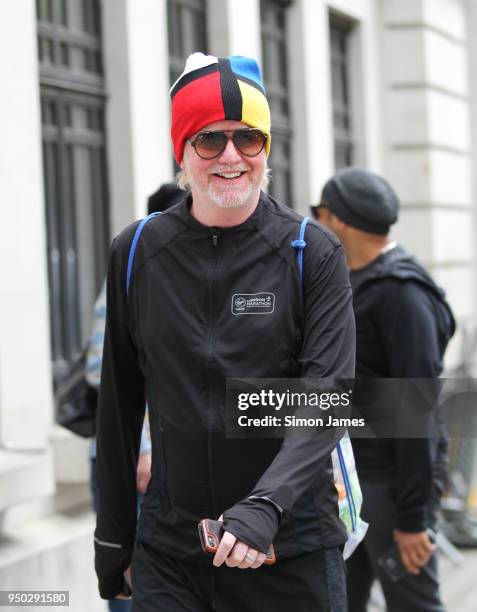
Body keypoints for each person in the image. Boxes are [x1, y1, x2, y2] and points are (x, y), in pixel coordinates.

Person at [94, 52, 356, 611]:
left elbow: (327, 399)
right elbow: (118, 407)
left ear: (266, 148)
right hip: (173, 555)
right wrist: (112, 537)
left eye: (249, 138)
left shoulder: (312, 251)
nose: (231, 156)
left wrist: (266, 504)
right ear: (182, 152)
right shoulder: (138, 250)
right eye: (209, 139)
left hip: (288, 550)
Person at [313, 167, 455, 612]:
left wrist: (412, 518)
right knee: (338, 600)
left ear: (338, 220)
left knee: (414, 604)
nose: (313, 220)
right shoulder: (351, 280)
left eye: (318, 212)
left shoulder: (400, 293)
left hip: (391, 486)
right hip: (350, 482)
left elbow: (417, 411)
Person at [87, 182, 183, 611]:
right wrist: (143, 450)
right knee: (129, 573)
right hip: (131, 458)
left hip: (166, 459)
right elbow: (101, 373)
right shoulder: (130, 273)